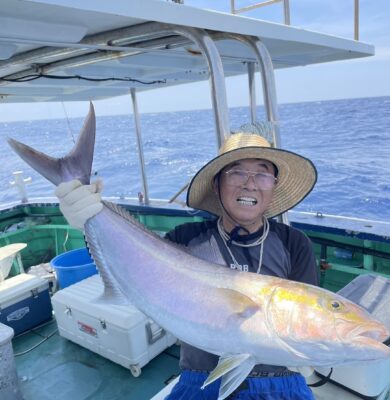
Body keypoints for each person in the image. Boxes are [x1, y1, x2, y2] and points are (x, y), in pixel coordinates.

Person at [55, 132, 318, 400]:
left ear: (273, 187)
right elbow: (133, 276)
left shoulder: (293, 243)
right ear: (217, 185)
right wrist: (89, 219)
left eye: (262, 174)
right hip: (199, 381)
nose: (250, 184)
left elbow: (304, 321)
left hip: (280, 382)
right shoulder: (186, 239)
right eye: (236, 173)